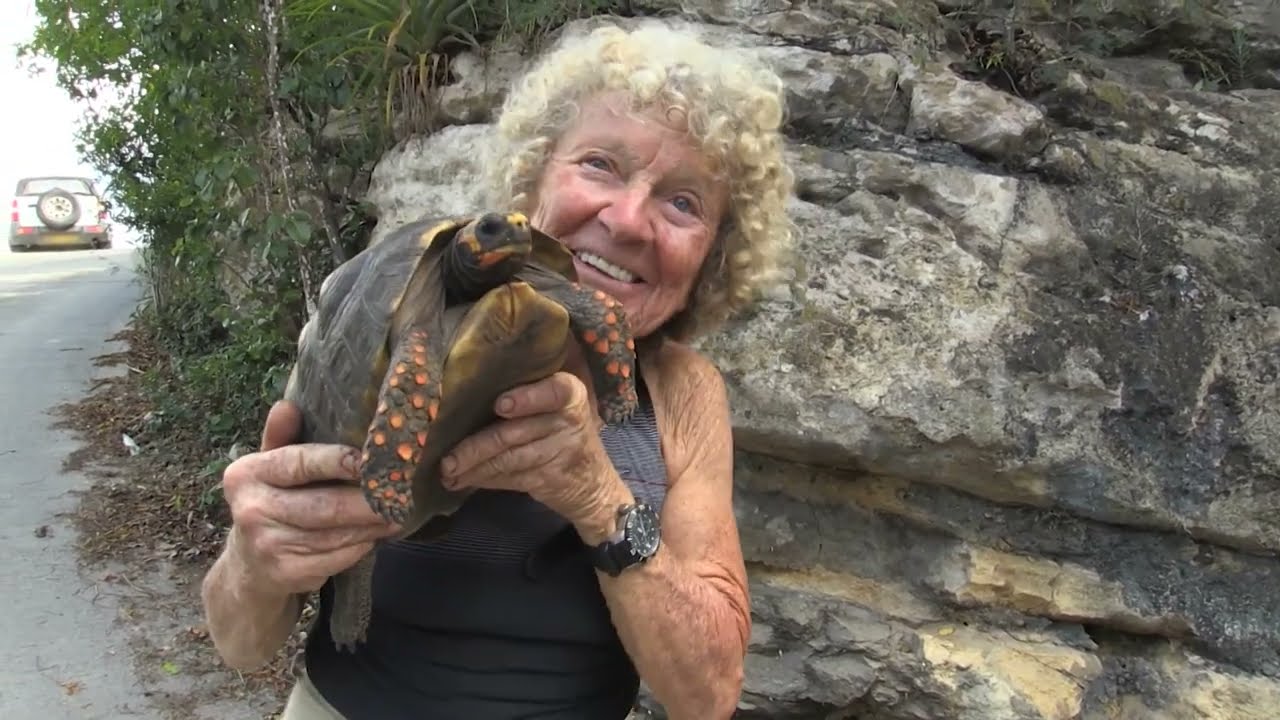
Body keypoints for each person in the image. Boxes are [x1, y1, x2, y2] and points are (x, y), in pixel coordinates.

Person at [200, 18, 794, 720]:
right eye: (600, 163)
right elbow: (241, 645)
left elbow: (708, 697)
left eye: (683, 202)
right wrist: (256, 555)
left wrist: (598, 497)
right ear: (531, 180)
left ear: (711, 262)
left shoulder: (681, 392)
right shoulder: (378, 314)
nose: (629, 220)